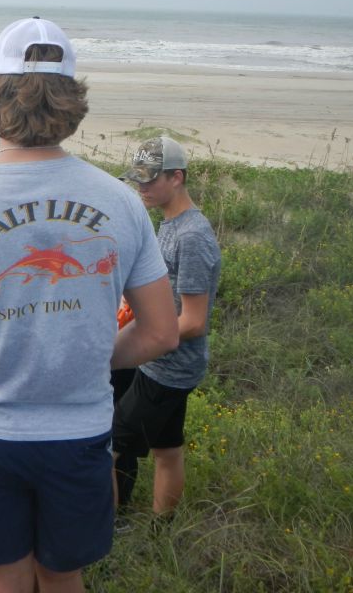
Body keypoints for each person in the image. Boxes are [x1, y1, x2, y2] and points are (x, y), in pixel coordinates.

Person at [0, 17, 179, 593]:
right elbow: (160, 335)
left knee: (4, 579)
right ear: (73, 101)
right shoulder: (121, 203)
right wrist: (86, 354)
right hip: (80, 432)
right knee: (62, 576)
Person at [112, 137, 222, 517]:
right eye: (138, 179)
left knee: (108, 445)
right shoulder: (171, 225)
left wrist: (141, 337)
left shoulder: (191, 237)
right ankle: (163, 527)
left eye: (150, 180)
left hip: (167, 368)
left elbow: (193, 321)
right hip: (166, 361)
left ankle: (104, 531)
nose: (142, 187)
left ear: (177, 177)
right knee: (166, 450)